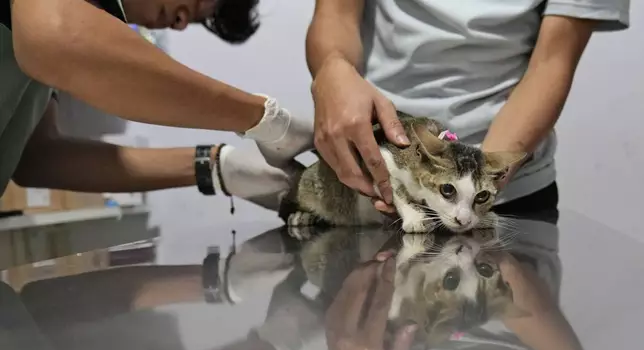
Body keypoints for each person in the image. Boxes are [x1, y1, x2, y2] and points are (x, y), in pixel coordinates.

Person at [306, 0, 629, 217]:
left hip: (502, 194)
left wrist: (473, 194)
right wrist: (332, 69)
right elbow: (335, 15)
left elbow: (552, 62)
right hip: (373, 178)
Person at [1, 0, 313, 209]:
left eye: (192, 20)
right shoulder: (51, 23)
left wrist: (219, 167)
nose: (178, 23)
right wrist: (265, 120)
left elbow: (39, 157)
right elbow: (55, 36)